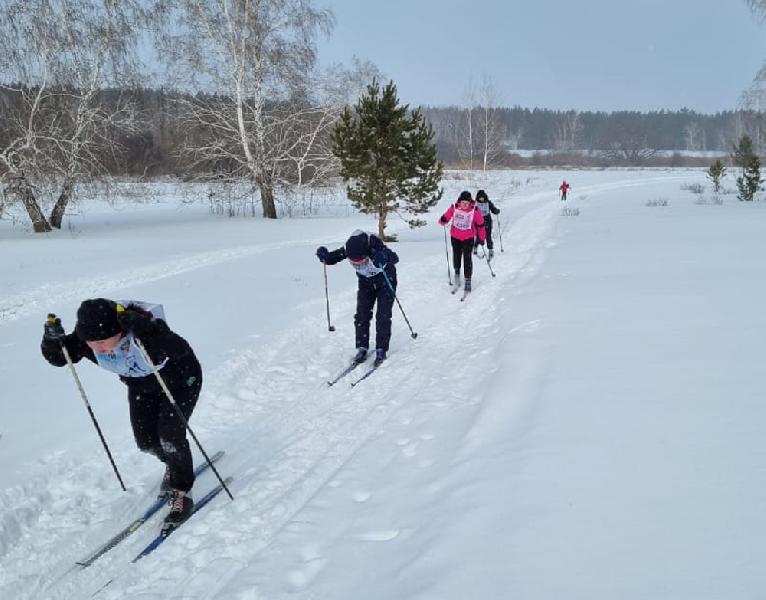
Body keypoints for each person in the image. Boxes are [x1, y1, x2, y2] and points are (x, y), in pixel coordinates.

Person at [41, 298, 202, 532]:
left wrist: (150, 331)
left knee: (170, 436)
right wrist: (51, 340)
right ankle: (173, 464)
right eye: (93, 344)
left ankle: (182, 491)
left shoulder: (142, 329)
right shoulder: (88, 339)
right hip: (142, 388)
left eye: (104, 342)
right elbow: (60, 357)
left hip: (180, 382)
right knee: (146, 442)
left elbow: (179, 349)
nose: (101, 349)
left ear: (119, 330)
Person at [316, 229, 399, 367]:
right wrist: (324, 256)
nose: (359, 265)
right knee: (361, 315)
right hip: (366, 283)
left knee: (383, 315)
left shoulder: (372, 242)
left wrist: (383, 256)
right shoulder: (349, 248)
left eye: (362, 261)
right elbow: (333, 258)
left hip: (385, 280)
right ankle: (362, 347)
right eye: (355, 263)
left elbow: (395, 257)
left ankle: (381, 349)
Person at [439, 190, 486, 293]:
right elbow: (446, 216)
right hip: (455, 236)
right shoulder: (454, 207)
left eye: (467, 203)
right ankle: (457, 273)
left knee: (467, 257)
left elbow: (481, 225)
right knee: (456, 255)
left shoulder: (475, 210)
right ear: (459, 201)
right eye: (463, 202)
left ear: (470, 202)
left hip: (468, 237)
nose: (464, 205)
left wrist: (481, 238)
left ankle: (467, 279)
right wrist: (443, 220)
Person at [474, 189, 501, 260]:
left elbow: (493, 209)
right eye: (480, 197)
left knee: (488, 236)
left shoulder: (488, 203)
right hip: (478, 222)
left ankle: (490, 249)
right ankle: (475, 247)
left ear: (485, 197)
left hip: (487, 221)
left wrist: (496, 211)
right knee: (479, 236)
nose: (481, 199)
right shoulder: (475, 204)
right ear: (478, 197)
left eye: (482, 197)